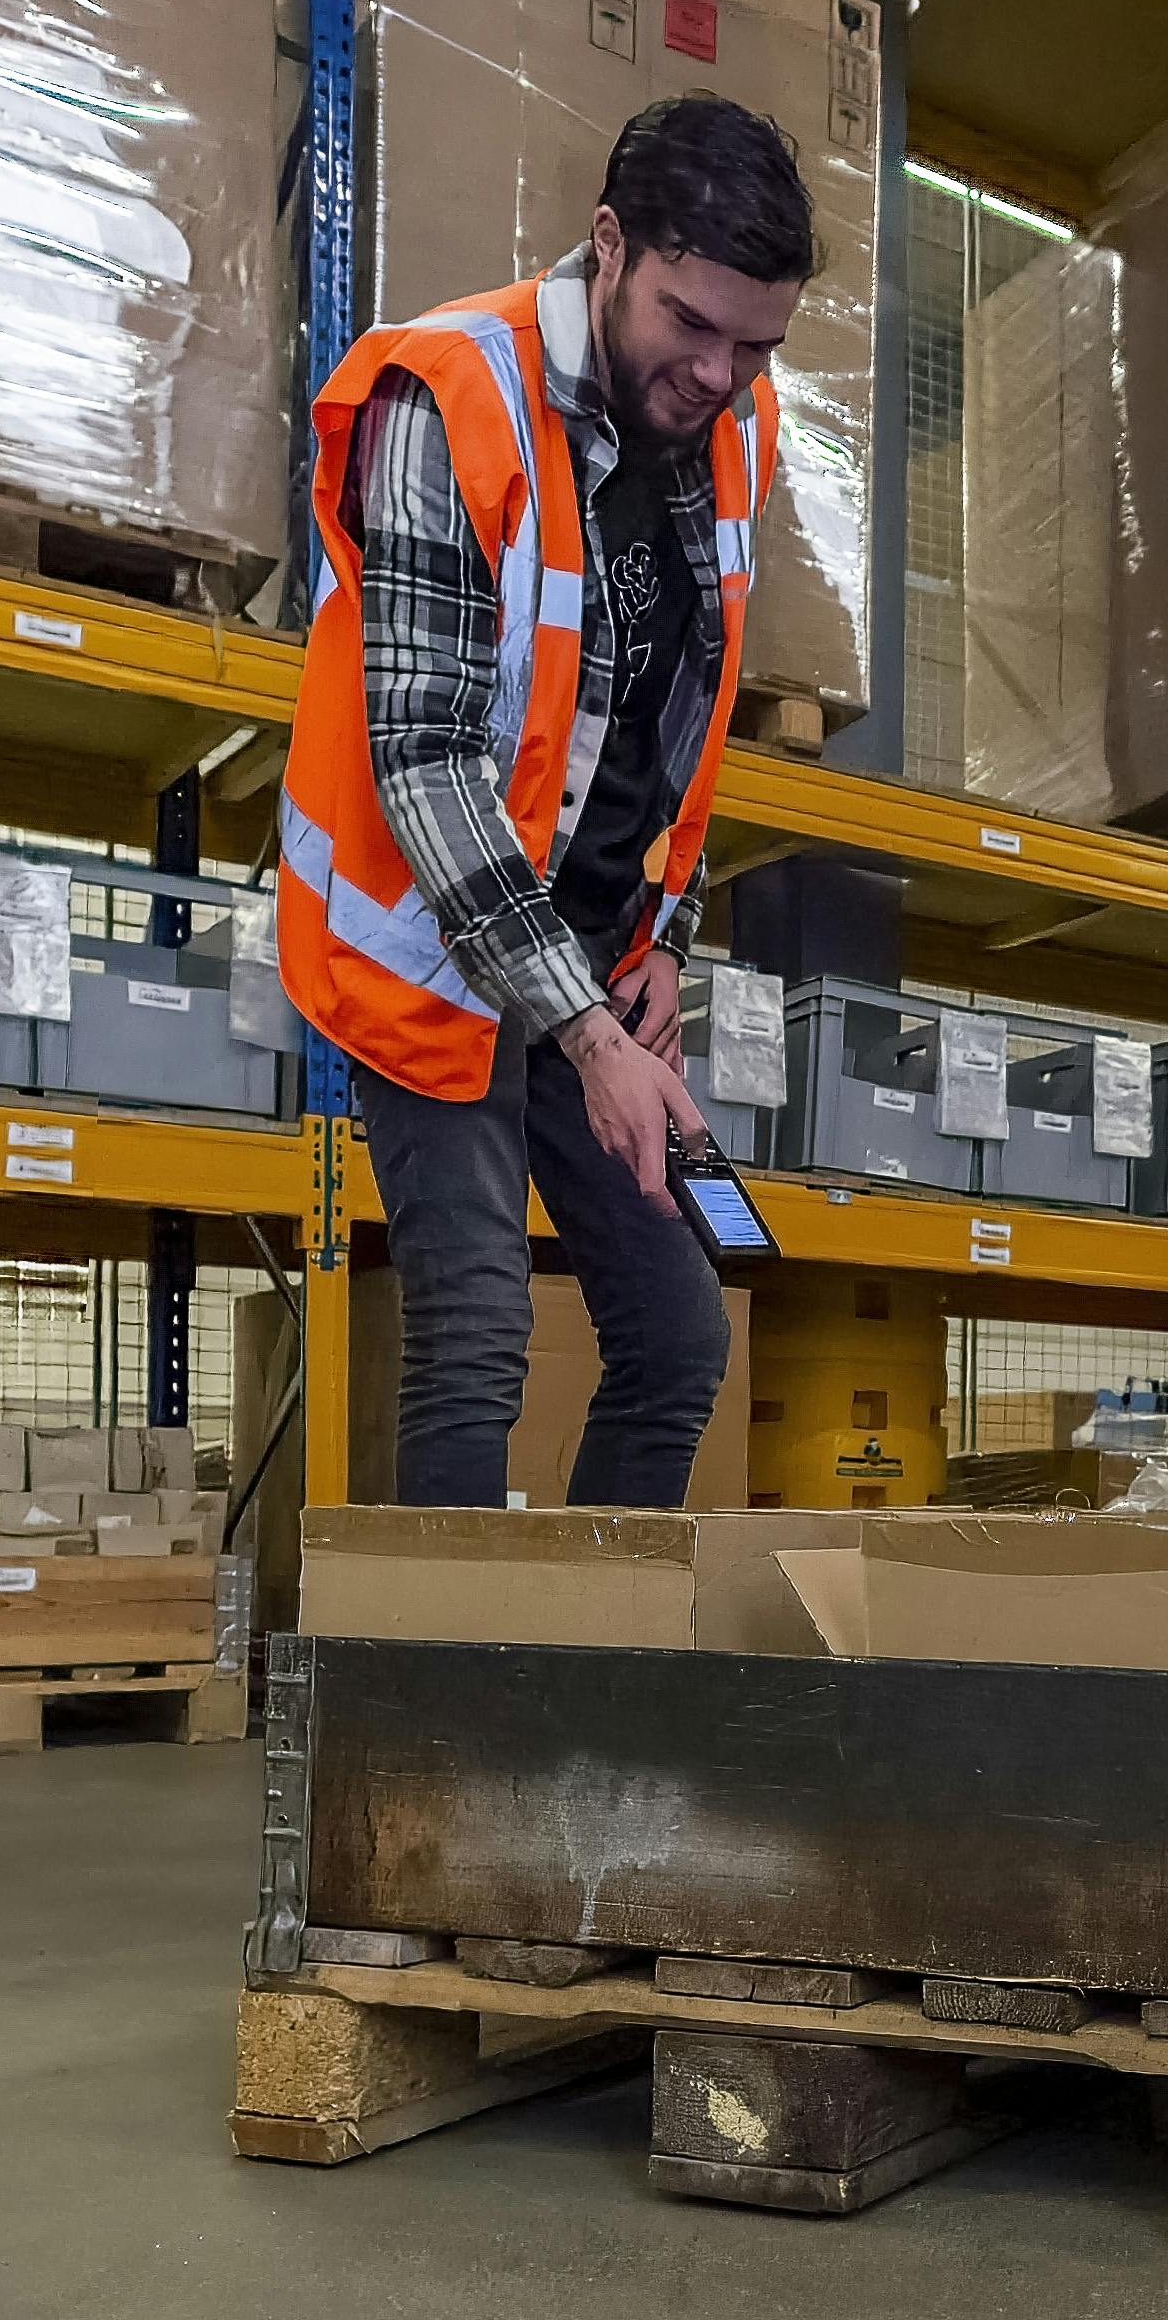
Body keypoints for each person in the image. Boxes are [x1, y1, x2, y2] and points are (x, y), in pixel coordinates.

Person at [276, 94, 816, 1507]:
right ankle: (441, 1725)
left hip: (591, 967)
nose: (718, 372)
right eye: (690, 325)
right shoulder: (444, 396)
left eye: (755, 343)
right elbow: (426, 761)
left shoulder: (732, 428)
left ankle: (582, 1684)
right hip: (429, 952)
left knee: (680, 1340)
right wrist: (582, 1031)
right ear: (608, 245)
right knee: (475, 1338)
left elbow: (673, 725)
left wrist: (663, 951)